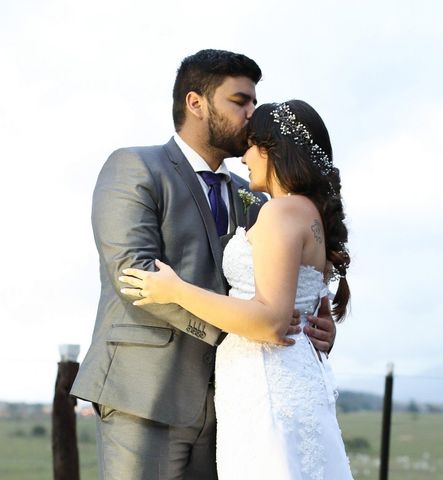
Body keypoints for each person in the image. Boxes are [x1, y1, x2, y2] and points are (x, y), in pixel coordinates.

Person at [70, 50, 337, 479]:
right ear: (196, 103)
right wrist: (248, 327)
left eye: (253, 102)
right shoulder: (135, 167)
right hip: (147, 395)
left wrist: (312, 322)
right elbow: (134, 274)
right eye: (240, 101)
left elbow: (273, 278)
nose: (252, 115)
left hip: (230, 406)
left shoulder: (253, 193)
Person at [120, 100, 353, 479]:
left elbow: (270, 322)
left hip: (267, 386)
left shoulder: (281, 212)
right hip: (290, 380)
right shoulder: (309, 214)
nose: (243, 157)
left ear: (271, 150)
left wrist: (175, 291)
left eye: (250, 145)